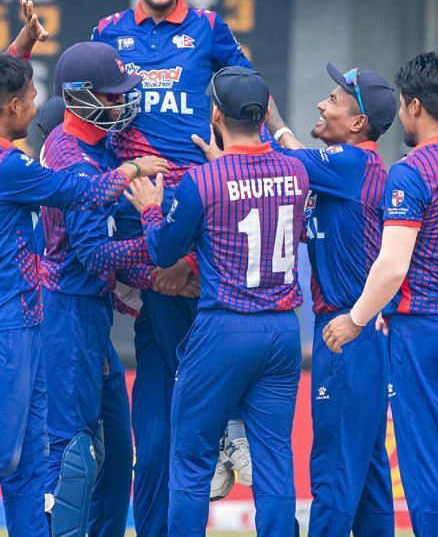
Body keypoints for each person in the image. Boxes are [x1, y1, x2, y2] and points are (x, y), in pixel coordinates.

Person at [0, 51, 166, 536]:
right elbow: (78, 193)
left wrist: (20, 48)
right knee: (0, 452)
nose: (39, 106)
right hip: (1, 321)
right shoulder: (10, 167)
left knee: (30, 461)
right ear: (14, 106)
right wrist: (134, 172)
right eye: (32, 97)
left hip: (17, 316)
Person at [91, 0, 254, 529]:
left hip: (204, 211)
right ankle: (191, 471)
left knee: (216, 333)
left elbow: (250, 97)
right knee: (160, 365)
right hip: (138, 214)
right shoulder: (109, 33)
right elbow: (86, 113)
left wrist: (268, 145)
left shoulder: (210, 29)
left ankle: (225, 430)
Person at [324, 52, 438, 537]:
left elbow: (391, 265)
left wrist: (357, 318)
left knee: (427, 459)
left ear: (414, 105)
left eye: (405, 107)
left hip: (426, 328)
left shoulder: (413, 170)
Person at [125, 66, 307, 535]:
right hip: (284, 330)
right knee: (273, 466)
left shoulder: (203, 181)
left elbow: (164, 251)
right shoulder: (297, 171)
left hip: (224, 326)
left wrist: (148, 207)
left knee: (190, 460)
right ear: (264, 114)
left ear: (215, 114)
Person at [38, 41, 195, 536]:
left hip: (91, 316)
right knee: (74, 456)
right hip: (66, 313)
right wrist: (157, 256)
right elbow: (95, 254)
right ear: (81, 96)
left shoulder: (98, 146)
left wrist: (157, 278)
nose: (122, 103)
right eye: (111, 96)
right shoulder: (73, 159)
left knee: (114, 455)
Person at [247, 63, 397, 536]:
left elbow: (289, 157)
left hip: (345, 331)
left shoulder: (353, 163)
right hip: (361, 333)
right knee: (369, 479)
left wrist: (271, 120)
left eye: (333, 100)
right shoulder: (351, 167)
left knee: (334, 474)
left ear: (357, 123)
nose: (321, 104)